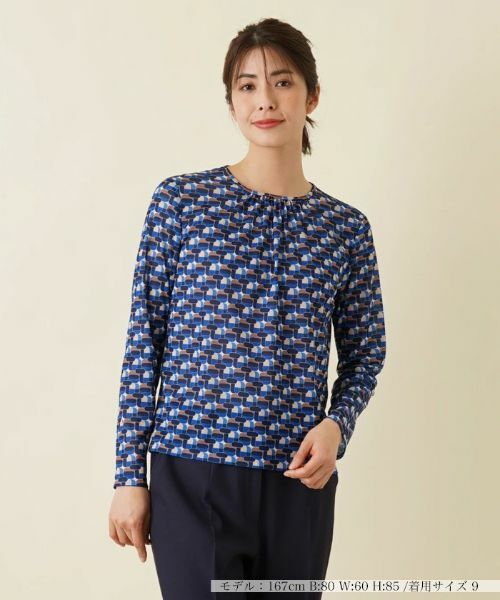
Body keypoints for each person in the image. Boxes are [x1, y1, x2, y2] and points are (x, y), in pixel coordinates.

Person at [108, 17, 386, 600]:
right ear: (232, 101)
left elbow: (366, 353)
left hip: (298, 484)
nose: (265, 101)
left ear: (311, 96)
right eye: (248, 86)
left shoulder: (345, 229)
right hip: (192, 474)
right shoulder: (182, 202)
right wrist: (128, 476)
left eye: (282, 83)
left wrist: (338, 425)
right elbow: (144, 341)